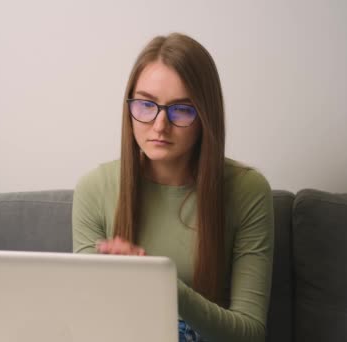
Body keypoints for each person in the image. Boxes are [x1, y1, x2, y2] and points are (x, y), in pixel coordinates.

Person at [72, 33, 274, 342]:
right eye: (145, 104)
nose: (159, 125)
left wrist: (161, 280)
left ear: (206, 116)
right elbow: (87, 317)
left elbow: (249, 333)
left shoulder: (248, 191)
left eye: (181, 109)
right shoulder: (94, 188)